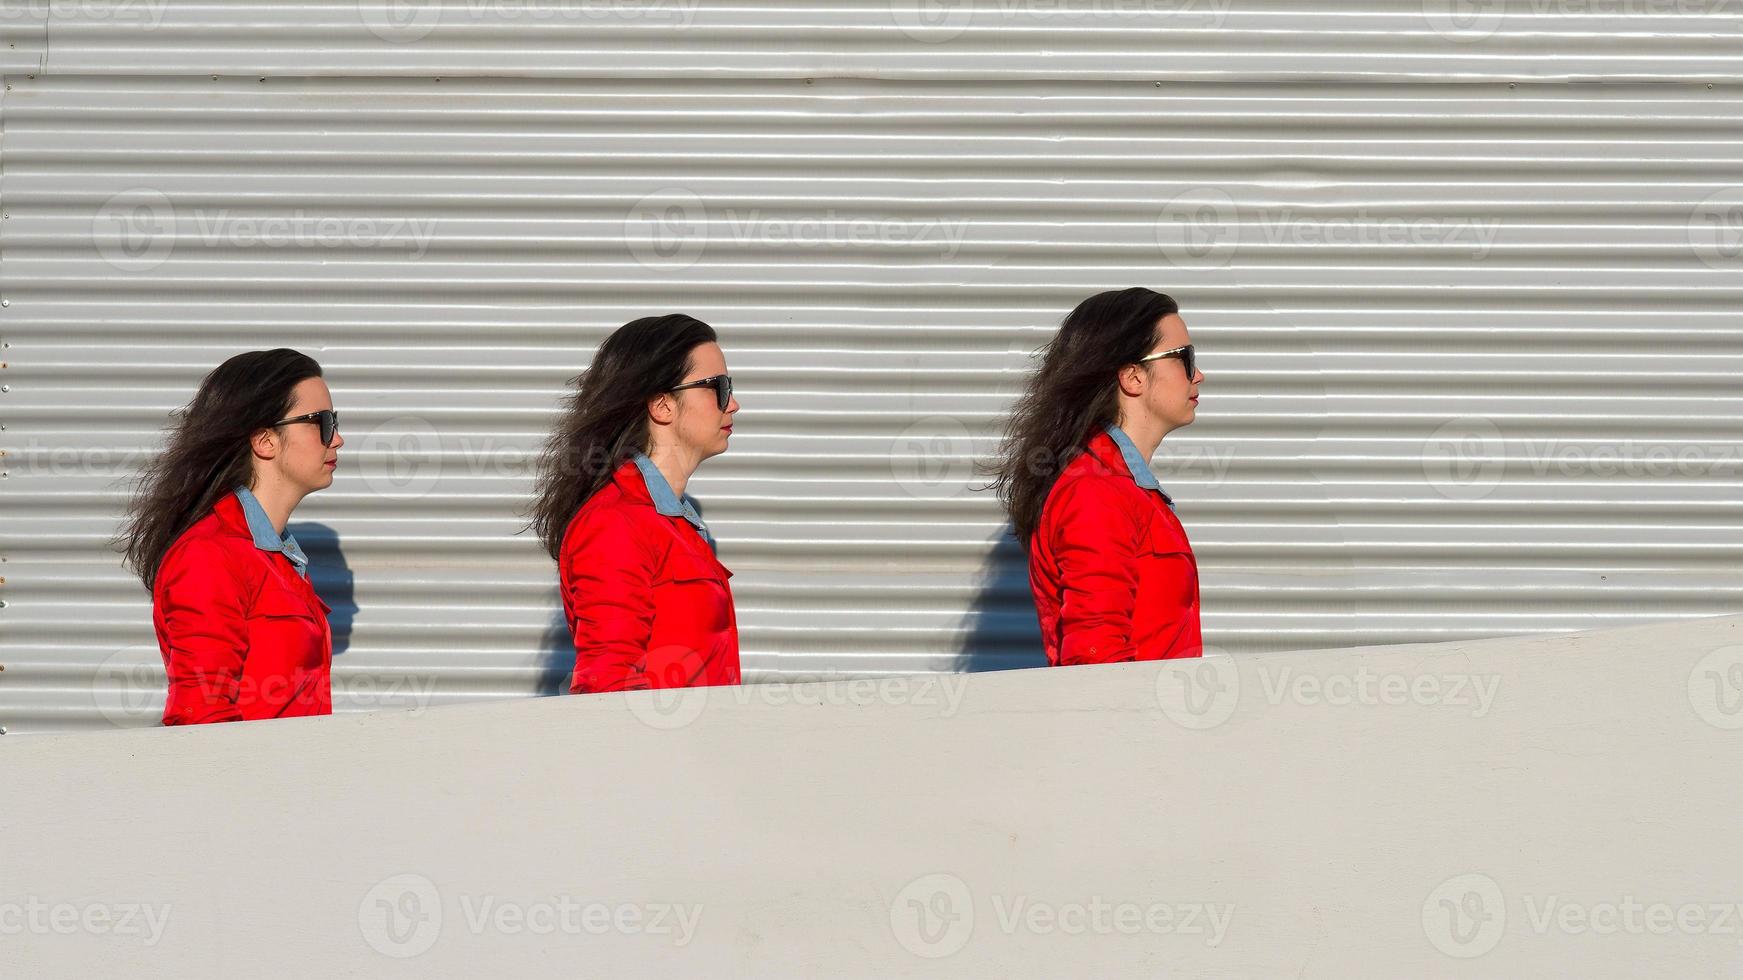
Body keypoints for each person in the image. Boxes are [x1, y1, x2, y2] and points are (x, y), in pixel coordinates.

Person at [119, 349, 342, 724]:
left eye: (333, 421)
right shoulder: (209, 556)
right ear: (264, 440)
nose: (336, 439)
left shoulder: (272, 556)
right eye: (320, 422)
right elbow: (199, 718)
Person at [991, 287, 1205, 666]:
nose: (1199, 375)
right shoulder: (1096, 492)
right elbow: (1096, 658)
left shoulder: (1124, 489)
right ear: (1133, 376)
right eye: (1184, 359)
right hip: (1135, 723)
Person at [528, 314, 742, 693]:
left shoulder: (672, 523)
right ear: (662, 405)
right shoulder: (615, 524)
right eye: (718, 387)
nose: (734, 403)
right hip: (660, 752)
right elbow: (607, 688)